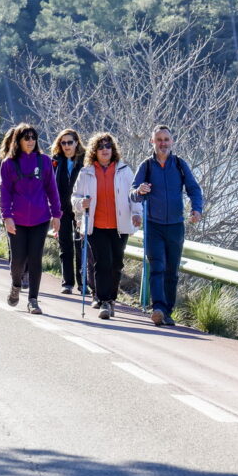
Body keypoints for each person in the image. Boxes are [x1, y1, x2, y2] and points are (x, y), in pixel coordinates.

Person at [131, 125, 204, 327]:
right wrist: (139, 191)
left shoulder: (180, 164)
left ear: (172, 141)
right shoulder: (146, 166)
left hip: (175, 226)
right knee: (157, 267)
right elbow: (132, 194)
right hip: (153, 226)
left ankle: (168, 312)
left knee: (171, 271)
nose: (163, 143)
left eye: (166, 139)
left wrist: (197, 209)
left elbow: (193, 189)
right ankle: (158, 308)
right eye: (159, 139)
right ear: (152, 142)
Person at [74, 133, 143, 320]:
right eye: (100, 147)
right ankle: (104, 301)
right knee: (102, 263)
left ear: (113, 150)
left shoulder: (124, 171)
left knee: (116, 264)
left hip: (119, 226)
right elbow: (75, 197)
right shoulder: (86, 172)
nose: (105, 150)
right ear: (94, 151)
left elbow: (134, 196)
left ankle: (112, 299)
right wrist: (80, 203)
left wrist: (137, 214)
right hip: (95, 226)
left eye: (108, 146)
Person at [0, 123, 62, 315]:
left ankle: (33, 300)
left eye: (33, 137)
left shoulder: (44, 161)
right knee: (18, 259)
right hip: (16, 219)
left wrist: (56, 214)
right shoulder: (8, 163)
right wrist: (6, 216)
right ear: (18, 140)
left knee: (35, 259)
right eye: (26, 138)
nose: (31, 141)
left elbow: (52, 189)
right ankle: (16, 285)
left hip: (40, 219)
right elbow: (4, 191)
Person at [51, 129, 87, 294]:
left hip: (79, 208)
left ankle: (83, 282)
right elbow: (50, 185)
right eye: (63, 142)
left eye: (70, 142)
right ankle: (67, 283)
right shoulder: (56, 161)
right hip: (62, 208)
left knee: (81, 245)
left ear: (76, 142)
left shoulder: (86, 160)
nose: (66, 146)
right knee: (64, 245)